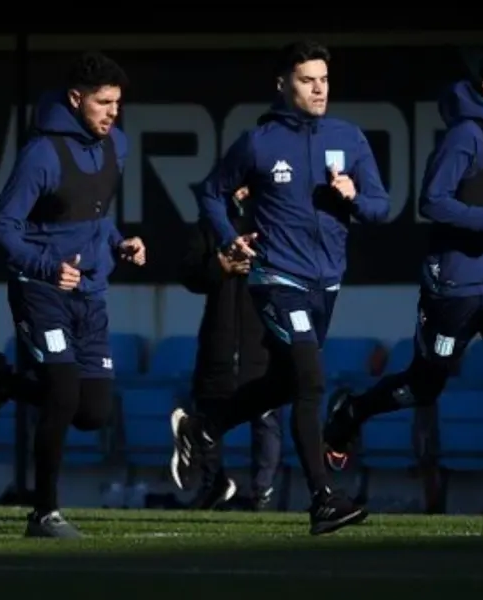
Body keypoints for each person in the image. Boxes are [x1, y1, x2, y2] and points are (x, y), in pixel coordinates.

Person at [319, 45, 483, 537]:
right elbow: (433, 202)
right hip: (454, 288)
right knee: (425, 385)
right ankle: (352, 412)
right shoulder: (464, 136)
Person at [169, 40, 391, 536]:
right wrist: (230, 239)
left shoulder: (349, 138)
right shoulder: (258, 143)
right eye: (307, 79)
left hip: (326, 282)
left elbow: (382, 206)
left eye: (324, 79)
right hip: (276, 279)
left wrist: (354, 197)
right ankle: (323, 499)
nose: (318, 88)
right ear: (283, 84)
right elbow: (210, 193)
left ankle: (205, 427)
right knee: (311, 381)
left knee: (285, 384)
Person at [0, 51, 143, 539]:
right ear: (75, 99)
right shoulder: (43, 154)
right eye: (102, 102)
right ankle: (43, 513)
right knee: (64, 394)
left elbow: (94, 215)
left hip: (90, 294)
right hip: (40, 291)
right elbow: (2, 226)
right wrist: (47, 267)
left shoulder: (118, 146)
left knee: (93, 412)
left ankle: (3, 383)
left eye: (117, 103)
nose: (112, 112)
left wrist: (119, 242)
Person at [178, 186, 282, 511]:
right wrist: (222, 264)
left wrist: (259, 264)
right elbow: (190, 274)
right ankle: (213, 483)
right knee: (209, 404)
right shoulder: (209, 223)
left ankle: (262, 492)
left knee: (264, 414)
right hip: (219, 331)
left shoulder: (274, 218)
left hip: (261, 332)